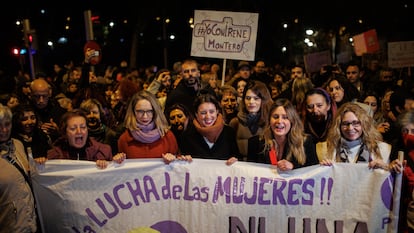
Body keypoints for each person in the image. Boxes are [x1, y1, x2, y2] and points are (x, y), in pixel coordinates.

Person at [247, 98, 319, 170]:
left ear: (292, 121)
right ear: (269, 120)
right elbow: (249, 172)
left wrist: (293, 167)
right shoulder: (255, 143)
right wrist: (236, 165)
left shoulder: (305, 142)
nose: (279, 121)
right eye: (275, 117)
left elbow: (313, 172)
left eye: (285, 117)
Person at [0, 104, 38, 233]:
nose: (4, 130)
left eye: (7, 124)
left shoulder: (18, 145)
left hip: (30, 225)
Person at [319, 102, 391, 169]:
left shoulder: (382, 149)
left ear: (364, 124)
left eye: (356, 123)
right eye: (345, 123)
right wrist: (322, 169)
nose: (350, 128)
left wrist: (385, 168)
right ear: (338, 126)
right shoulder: (325, 149)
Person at [47, 109, 125, 169]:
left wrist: (116, 162)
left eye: (83, 127)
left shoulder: (104, 152)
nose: (79, 131)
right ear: (65, 132)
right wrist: (40, 164)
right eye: (73, 128)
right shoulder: (54, 156)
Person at [118, 90, 179, 162]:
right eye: (140, 111)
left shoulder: (168, 136)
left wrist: (175, 159)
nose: (145, 116)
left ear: (155, 111)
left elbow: (178, 167)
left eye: (149, 111)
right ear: (133, 112)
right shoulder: (124, 140)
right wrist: (118, 160)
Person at [179, 93, 240, 165]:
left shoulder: (229, 132)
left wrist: (235, 160)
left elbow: (237, 157)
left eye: (211, 112)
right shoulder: (187, 136)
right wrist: (183, 160)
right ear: (196, 114)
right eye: (203, 113)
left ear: (217, 111)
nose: (208, 116)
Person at [229, 80, 273, 161]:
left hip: (264, 170)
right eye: (248, 98)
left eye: (256, 98)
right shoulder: (235, 122)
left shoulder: (271, 122)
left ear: (263, 100)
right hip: (241, 170)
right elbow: (230, 149)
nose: (251, 102)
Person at [388, 110, 414, 233]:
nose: (409, 135)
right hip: (399, 205)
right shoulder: (395, 147)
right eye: (405, 131)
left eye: (413, 131)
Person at [30, 78, 67, 143]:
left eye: (44, 96)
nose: (41, 100)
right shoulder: (25, 111)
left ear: (49, 94)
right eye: (37, 96)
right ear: (31, 95)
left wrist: (57, 131)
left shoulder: (59, 111)